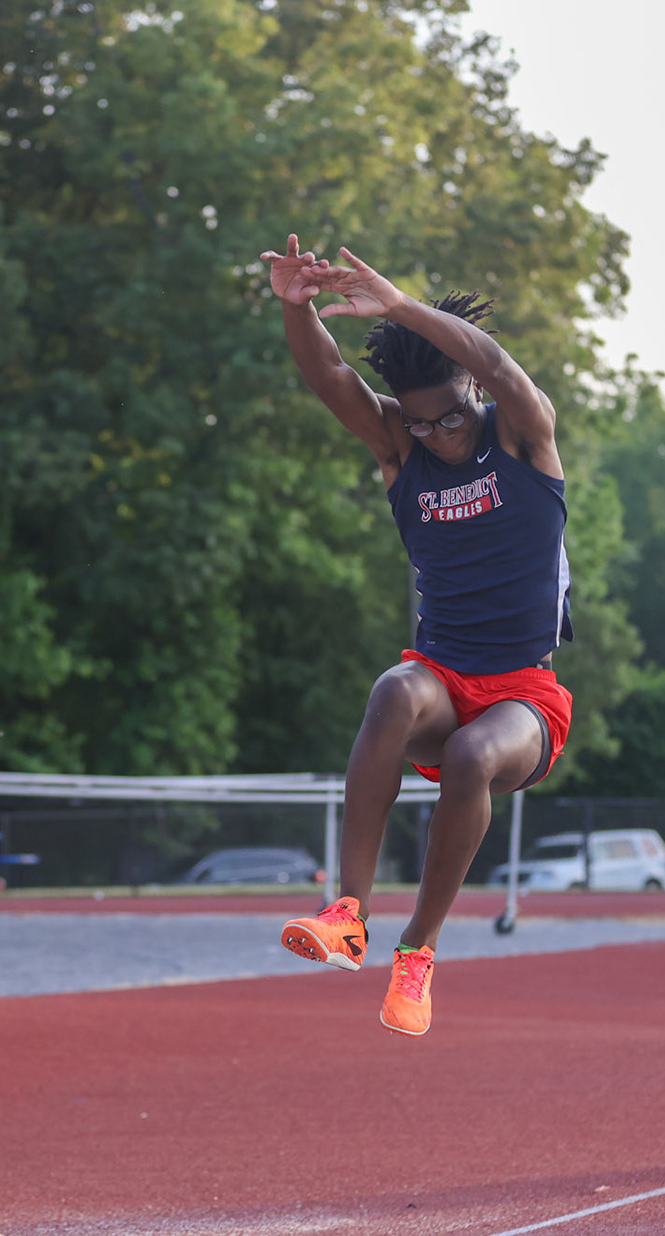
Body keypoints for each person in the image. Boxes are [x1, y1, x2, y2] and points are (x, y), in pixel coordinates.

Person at [262, 236, 573, 1038]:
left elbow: (502, 366)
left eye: (452, 417)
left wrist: (399, 305)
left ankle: (417, 954)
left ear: (473, 390)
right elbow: (332, 377)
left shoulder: (521, 436)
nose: (440, 435)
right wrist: (296, 309)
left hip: (523, 696)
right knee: (393, 690)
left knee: (471, 758)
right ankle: (348, 914)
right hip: (441, 672)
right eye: (424, 422)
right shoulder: (403, 447)